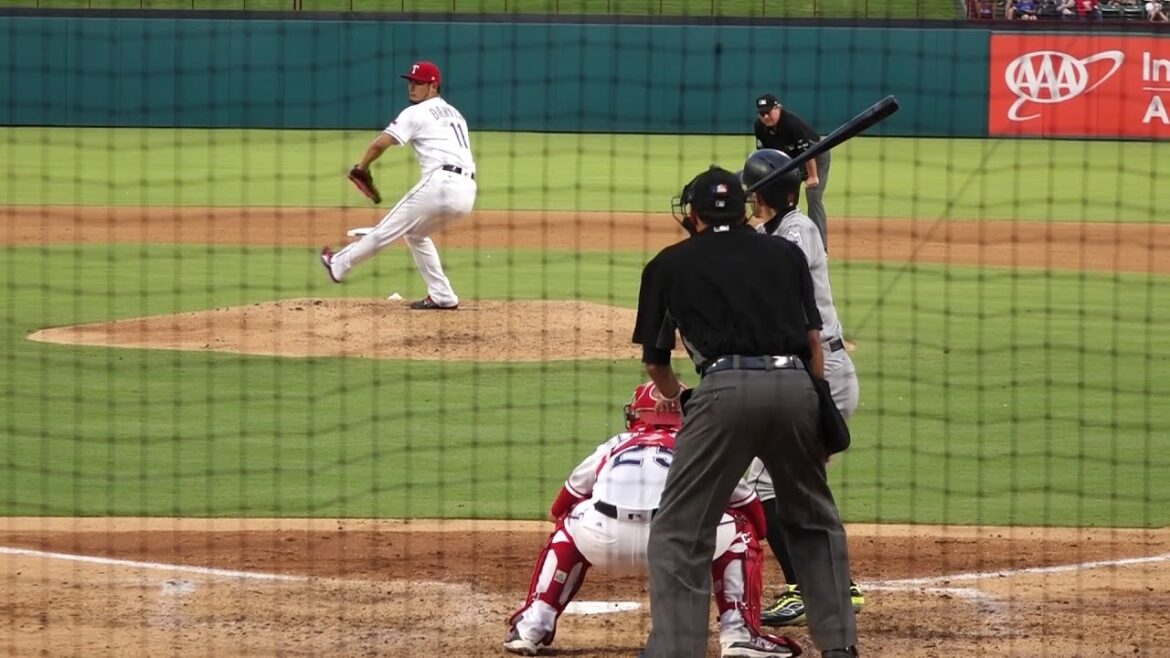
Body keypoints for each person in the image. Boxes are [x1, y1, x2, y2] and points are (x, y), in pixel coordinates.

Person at [633, 166, 859, 658]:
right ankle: (840, 647)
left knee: (680, 530)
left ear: (692, 214)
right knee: (814, 521)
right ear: (744, 209)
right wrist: (818, 406)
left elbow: (656, 364)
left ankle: (675, 650)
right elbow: (813, 342)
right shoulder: (785, 253)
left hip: (723, 391)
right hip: (795, 387)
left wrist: (685, 399)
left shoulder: (668, 265)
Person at [503, 382, 803, 658]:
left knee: (568, 525)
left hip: (605, 543)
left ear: (637, 414)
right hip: (676, 547)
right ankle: (739, 634)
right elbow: (748, 502)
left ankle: (531, 626)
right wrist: (756, 535)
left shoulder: (615, 443)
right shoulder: (702, 444)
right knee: (740, 529)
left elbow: (564, 500)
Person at [740, 148, 866, 628]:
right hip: (803, 373)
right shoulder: (769, 233)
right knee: (798, 485)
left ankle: (808, 588)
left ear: (763, 196)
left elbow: (774, 267)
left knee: (764, 484)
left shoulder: (798, 230)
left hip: (822, 373)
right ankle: (835, 584)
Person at [319, 60, 476, 310]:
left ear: (433, 86)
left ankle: (338, 264)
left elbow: (380, 143)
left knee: (386, 229)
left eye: (419, 83)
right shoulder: (455, 114)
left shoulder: (416, 112)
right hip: (467, 193)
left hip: (441, 185)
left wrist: (362, 167)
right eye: (410, 82)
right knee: (415, 234)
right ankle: (443, 296)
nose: (412, 87)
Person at [754, 94, 831, 247]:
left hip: (815, 156)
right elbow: (765, 154)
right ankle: (778, 236)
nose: (766, 117)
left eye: (768, 112)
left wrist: (813, 176)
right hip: (790, 159)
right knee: (779, 195)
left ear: (778, 108)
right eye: (762, 114)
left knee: (813, 196)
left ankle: (821, 248)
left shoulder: (791, 124)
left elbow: (807, 153)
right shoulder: (759, 126)